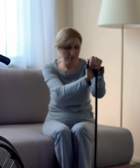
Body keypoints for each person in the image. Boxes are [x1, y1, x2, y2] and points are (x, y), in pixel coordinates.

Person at [42, 27, 106, 168]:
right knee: (61, 131)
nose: (73, 52)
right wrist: (85, 80)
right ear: (58, 48)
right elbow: (59, 93)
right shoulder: (49, 69)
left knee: (80, 129)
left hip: (84, 119)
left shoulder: (86, 66)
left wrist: (98, 74)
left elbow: (98, 93)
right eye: (67, 48)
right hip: (55, 120)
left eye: (77, 47)